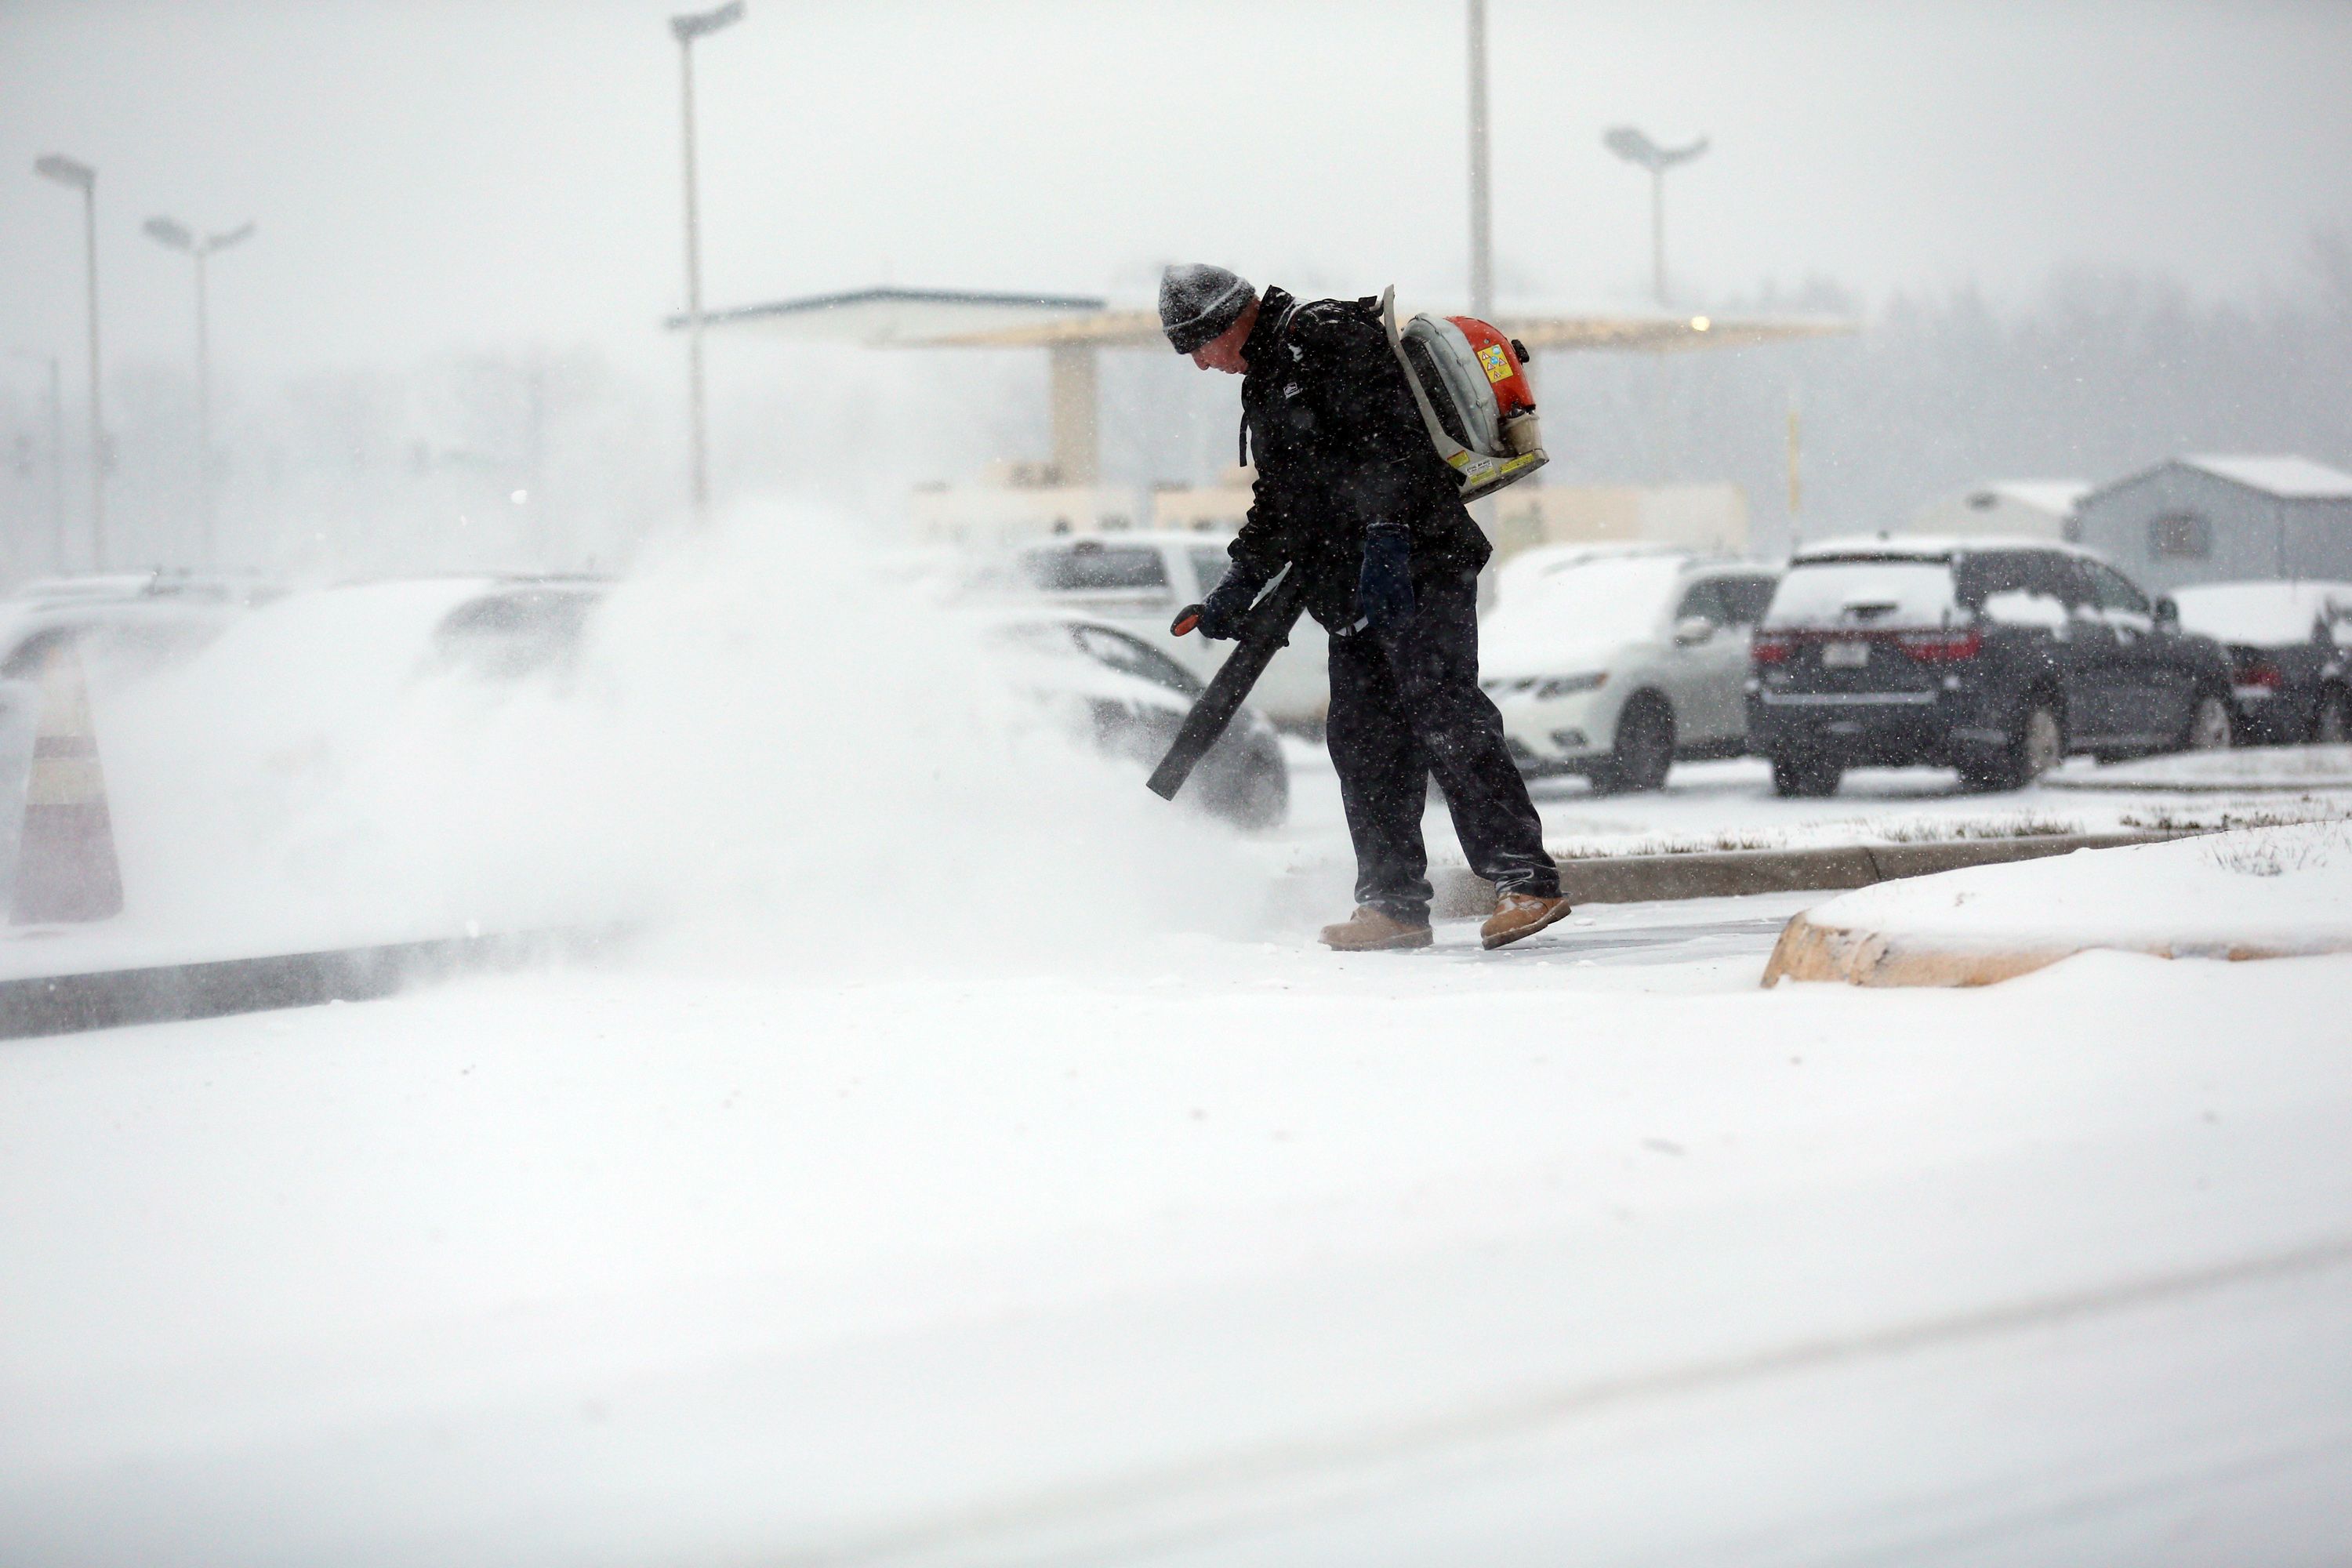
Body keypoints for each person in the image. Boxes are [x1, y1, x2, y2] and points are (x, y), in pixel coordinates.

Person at [1160, 263, 1570, 953]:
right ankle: (1393, 905)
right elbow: (1281, 503)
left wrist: (1386, 536)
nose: (1201, 365)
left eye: (1197, 347)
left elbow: (1393, 443)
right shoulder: (1267, 378)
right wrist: (1234, 588)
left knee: (1447, 717)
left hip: (1420, 567)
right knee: (1363, 743)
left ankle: (1527, 881)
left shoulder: (1327, 336)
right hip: (1349, 588)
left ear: (1227, 321)